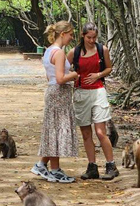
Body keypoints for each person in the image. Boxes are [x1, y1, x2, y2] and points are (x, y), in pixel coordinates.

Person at [67, 22, 118, 180]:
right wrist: (74, 75)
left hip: (98, 92)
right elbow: (62, 69)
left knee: (100, 132)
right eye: (89, 37)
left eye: (94, 37)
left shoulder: (102, 50)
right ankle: (92, 167)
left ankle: (111, 165)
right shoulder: (74, 52)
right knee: (86, 133)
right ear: (83, 36)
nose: (92, 40)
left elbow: (109, 68)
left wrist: (98, 75)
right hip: (81, 94)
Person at [31, 21, 79, 184]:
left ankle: (42, 164)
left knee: (53, 128)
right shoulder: (58, 53)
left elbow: (49, 76)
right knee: (57, 130)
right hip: (59, 93)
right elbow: (59, 79)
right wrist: (74, 74)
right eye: (71, 34)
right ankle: (55, 169)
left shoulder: (48, 51)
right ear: (63, 34)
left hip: (53, 92)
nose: (71, 38)